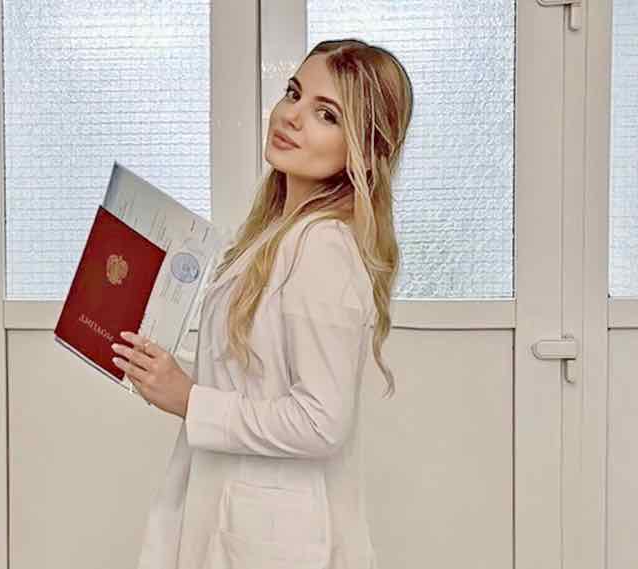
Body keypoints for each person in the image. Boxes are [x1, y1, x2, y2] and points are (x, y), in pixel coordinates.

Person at [110, 38, 413, 569]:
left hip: (273, 536)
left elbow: (321, 421)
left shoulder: (321, 248)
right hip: (231, 513)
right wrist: (168, 374)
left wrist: (190, 400)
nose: (292, 116)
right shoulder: (276, 235)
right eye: (294, 93)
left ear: (363, 149)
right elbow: (257, 377)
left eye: (326, 114)